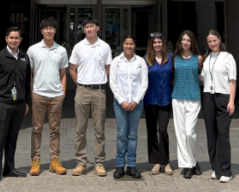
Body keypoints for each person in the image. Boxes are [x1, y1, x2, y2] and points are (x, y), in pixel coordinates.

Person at [0, 26, 32, 183]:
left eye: (17, 38)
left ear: (20, 40)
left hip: (19, 104)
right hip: (3, 103)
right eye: (11, 38)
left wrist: (26, 101)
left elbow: (27, 82)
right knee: (0, 138)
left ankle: (10, 167)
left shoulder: (25, 58)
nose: (14, 40)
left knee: (13, 137)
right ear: (6, 39)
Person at [69, 17, 113, 176]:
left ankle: (99, 163)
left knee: (99, 129)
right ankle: (81, 163)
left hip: (99, 91)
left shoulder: (105, 47)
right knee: (80, 129)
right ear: (84, 29)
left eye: (92, 26)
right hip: (82, 91)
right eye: (86, 27)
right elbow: (72, 69)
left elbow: (108, 69)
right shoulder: (79, 47)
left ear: (97, 28)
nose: (89, 29)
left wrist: (104, 83)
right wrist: (79, 84)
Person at [27, 16, 69, 176]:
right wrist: (32, 93)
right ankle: (35, 160)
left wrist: (62, 93)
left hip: (56, 95)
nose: (49, 31)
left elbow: (63, 74)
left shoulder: (61, 50)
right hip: (39, 94)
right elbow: (30, 74)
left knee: (55, 129)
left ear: (55, 31)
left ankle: (54, 160)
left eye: (52, 28)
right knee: (37, 129)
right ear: (41, 31)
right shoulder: (33, 50)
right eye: (46, 28)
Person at [201, 30, 237, 183]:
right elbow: (203, 77)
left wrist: (231, 101)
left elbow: (232, 80)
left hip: (223, 97)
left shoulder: (228, 57)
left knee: (222, 134)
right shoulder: (207, 57)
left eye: (214, 41)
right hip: (208, 96)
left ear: (219, 40)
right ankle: (215, 168)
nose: (212, 44)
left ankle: (226, 170)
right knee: (211, 134)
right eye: (209, 42)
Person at [109, 36, 148, 179]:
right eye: (126, 44)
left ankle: (131, 165)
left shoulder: (140, 62)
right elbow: (113, 83)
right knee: (121, 134)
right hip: (120, 104)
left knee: (132, 135)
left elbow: (144, 83)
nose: (129, 46)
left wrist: (136, 101)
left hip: (136, 104)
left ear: (135, 46)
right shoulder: (116, 62)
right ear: (122, 45)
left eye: (131, 44)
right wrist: (122, 101)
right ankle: (120, 166)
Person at [171, 30, 204, 179]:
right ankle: (188, 166)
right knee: (180, 133)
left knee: (189, 133)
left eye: (188, 40)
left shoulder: (198, 58)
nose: (185, 42)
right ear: (180, 41)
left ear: (192, 43)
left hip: (193, 98)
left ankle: (192, 162)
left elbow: (203, 76)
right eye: (183, 39)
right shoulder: (174, 58)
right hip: (177, 97)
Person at [143, 32, 174, 176]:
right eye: (154, 42)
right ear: (151, 44)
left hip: (166, 100)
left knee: (163, 130)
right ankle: (156, 161)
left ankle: (165, 162)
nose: (157, 44)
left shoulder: (171, 59)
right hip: (150, 100)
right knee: (151, 131)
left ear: (163, 43)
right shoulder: (145, 60)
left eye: (159, 42)